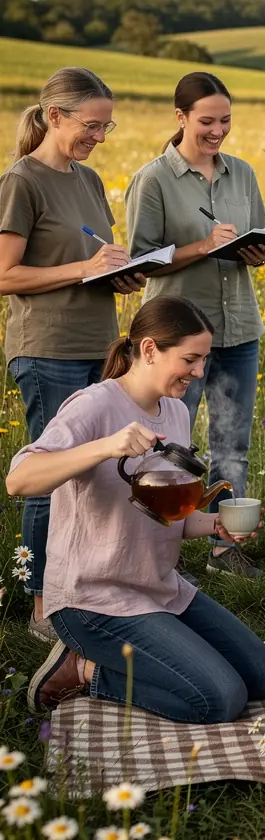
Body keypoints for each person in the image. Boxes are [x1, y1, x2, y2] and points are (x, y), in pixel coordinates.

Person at [11, 296, 265, 723]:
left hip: (155, 585)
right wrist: (105, 446)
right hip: (94, 600)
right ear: (150, 349)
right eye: (190, 359)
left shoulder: (173, 410)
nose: (199, 372)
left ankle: (147, 653)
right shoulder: (93, 405)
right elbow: (19, 479)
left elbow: (165, 513)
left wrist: (215, 525)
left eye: (203, 360)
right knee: (218, 698)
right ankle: (83, 670)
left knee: (261, 675)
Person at [0, 67, 145, 643]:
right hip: (48, 349)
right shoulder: (21, 181)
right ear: (54, 116)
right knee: (54, 476)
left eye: (107, 127)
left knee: (101, 473)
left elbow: (91, 260)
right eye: (92, 125)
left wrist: (119, 274)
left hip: (97, 345)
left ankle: (91, 587)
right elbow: (6, 275)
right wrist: (85, 269)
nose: (99, 137)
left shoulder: (88, 179)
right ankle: (41, 607)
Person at [126, 72, 265, 579]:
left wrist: (254, 252)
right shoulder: (154, 179)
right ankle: (160, 555)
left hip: (239, 328)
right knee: (169, 446)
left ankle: (226, 548)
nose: (218, 131)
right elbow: (139, 260)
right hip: (177, 338)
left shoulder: (243, 174)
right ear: (181, 117)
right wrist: (201, 247)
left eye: (226, 120)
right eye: (207, 121)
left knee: (233, 443)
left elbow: (256, 242)